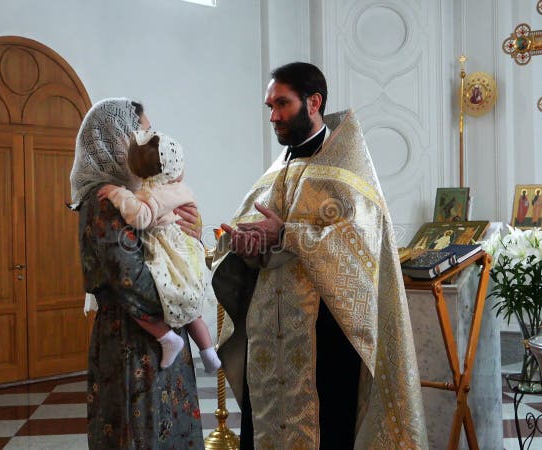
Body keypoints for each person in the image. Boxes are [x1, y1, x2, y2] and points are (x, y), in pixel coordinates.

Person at [211, 62, 428, 449]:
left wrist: (288, 234)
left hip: (325, 332)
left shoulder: (349, 172)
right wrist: (243, 248)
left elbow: (356, 244)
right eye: (270, 107)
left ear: (314, 103)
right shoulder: (277, 172)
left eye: (282, 104)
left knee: (328, 428)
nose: (274, 116)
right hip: (269, 332)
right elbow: (251, 237)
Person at [69, 98, 204, 449]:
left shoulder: (135, 197)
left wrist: (191, 237)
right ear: (114, 139)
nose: (148, 143)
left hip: (158, 336)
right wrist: (181, 292)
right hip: (133, 343)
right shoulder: (104, 200)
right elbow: (130, 279)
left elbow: (168, 250)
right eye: (141, 133)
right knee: (140, 434)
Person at [96, 129, 221, 373]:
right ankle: (208, 352)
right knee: (191, 313)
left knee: (138, 302)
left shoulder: (158, 192)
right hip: (184, 255)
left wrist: (118, 193)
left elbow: (141, 218)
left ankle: (167, 338)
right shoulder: (175, 189)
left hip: (169, 256)